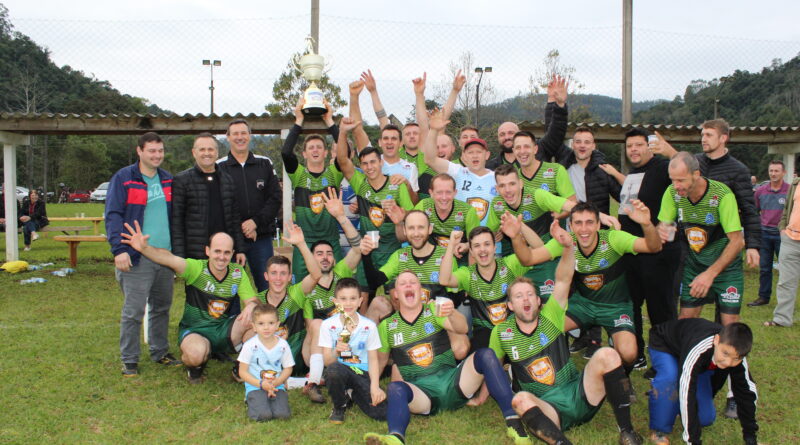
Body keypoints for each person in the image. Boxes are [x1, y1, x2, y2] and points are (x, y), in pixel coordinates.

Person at [492, 228, 644, 445]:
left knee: (608, 354)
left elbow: (563, 278)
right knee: (521, 399)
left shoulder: (552, 314)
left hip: (580, 395)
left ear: (538, 301)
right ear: (509, 305)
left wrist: (568, 249)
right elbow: (495, 370)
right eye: (518, 296)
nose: (525, 300)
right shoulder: (501, 333)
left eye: (529, 295)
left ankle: (627, 432)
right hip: (549, 410)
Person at [363, 271, 531, 445]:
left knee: (486, 355)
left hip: (453, 384)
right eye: (403, 283)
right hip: (422, 395)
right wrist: (373, 387)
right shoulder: (387, 326)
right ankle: (396, 437)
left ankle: (513, 421)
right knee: (395, 388)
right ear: (395, 294)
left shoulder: (433, 310)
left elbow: (462, 327)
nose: (408, 285)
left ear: (421, 290)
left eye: (413, 282)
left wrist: (451, 312)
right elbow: (380, 360)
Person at [512, 201, 662, 367]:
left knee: (629, 354)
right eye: (578, 223)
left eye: (589, 222)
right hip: (582, 305)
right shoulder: (566, 242)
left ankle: (619, 378)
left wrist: (647, 224)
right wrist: (515, 236)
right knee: (543, 330)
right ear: (570, 226)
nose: (584, 229)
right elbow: (528, 259)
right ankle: (557, 372)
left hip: (615, 307)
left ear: (598, 224)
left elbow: (653, 247)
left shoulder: (614, 239)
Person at [120, 221, 257, 383]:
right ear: (207, 251)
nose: (222, 257)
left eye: (227, 252)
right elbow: (169, 259)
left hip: (223, 329)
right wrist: (144, 248)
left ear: (232, 253)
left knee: (258, 322)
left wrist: (252, 306)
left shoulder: (237, 272)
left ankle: (240, 368)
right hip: (195, 330)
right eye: (217, 251)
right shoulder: (196, 268)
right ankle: (195, 368)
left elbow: (253, 300)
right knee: (196, 354)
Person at [105, 132, 181, 377]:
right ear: (140, 151)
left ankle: (160, 352)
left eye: (160, 151)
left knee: (161, 307)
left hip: (164, 256)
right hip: (137, 256)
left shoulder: (168, 180)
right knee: (134, 310)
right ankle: (129, 360)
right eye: (152, 151)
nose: (157, 155)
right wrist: (119, 250)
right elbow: (114, 214)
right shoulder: (124, 178)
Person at [616, 128, 681, 370]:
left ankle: (665, 361)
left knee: (660, 310)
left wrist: (671, 152)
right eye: (629, 145)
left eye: (638, 145)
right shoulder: (633, 173)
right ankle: (638, 355)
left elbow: (689, 173)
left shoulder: (663, 166)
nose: (633, 149)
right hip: (632, 253)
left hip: (658, 253)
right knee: (630, 305)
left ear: (648, 146)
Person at [657, 152, 745, 325]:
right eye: (672, 180)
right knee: (685, 321)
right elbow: (662, 229)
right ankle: (689, 352)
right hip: (695, 264)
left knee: (730, 323)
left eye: (681, 180)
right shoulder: (672, 193)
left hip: (726, 268)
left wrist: (710, 274)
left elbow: (737, 241)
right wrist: (651, 226)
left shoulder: (721, 195)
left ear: (696, 174)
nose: (675, 186)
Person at [336, 117, 414, 297]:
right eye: (364, 164)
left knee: (395, 299)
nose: (369, 167)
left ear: (380, 162)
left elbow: (412, 214)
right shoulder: (360, 183)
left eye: (372, 162)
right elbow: (342, 160)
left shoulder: (396, 184)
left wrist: (400, 214)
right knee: (362, 299)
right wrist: (342, 132)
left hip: (392, 250)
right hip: (367, 251)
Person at [647, 319, 758, 445]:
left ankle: (677, 405)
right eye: (725, 353)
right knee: (670, 377)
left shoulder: (738, 357)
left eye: (736, 358)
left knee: (705, 418)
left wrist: (750, 438)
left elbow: (746, 393)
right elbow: (687, 391)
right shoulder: (700, 348)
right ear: (716, 340)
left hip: (692, 355)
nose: (728, 363)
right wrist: (693, 441)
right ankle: (660, 429)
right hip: (666, 345)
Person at [301, 187, 364, 404]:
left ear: (335, 259)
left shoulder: (342, 273)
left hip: (343, 343)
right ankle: (316, 379)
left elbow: (358, 249)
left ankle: (334, 380)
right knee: (319, 324)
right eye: (319, 254)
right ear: (312, 259)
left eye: (329, 253)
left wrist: (340, 216)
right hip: (315, 350)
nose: (325, 257)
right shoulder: (307, 287)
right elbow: (311, 327)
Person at [255, 227, 323, 400]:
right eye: (274, 273)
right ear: (266, 276)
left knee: (317, 325)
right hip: (272, 361)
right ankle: (301, 382)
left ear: (290, 277)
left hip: (298, 355)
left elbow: (316, 274)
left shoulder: (295, 293)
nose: (278, 278)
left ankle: (313, 381)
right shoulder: (258, 301)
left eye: (283, 274)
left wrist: (301, 244)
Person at [281, 96, 344, 280]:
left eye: (319, 147)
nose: (315, 150)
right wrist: (299, 120)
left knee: (337, 284)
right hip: (304, 241)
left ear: (326, 153)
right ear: (304, 153)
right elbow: (286, 152)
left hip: (330, 240)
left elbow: (345, 151)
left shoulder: (334, 174)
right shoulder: (299, 175)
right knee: (302, 287)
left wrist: (330, 121)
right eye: (311, 148)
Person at [218, 119, 282, 292]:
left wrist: (255, 222)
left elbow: (275, 197)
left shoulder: (264, 163)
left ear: (250, 135)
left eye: (243, 133)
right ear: (228, 137)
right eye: (235, 133)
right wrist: (241, 228)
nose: (240, 137)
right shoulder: (219, 167)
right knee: (229, 289)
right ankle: (233, 319)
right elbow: (221, 204)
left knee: (267, 286)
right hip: (230, 240)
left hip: (260, 238)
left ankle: (268, 320)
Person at [320, 278, 388, 424]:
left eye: (352, 298)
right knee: (333, 370)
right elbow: (327, 361)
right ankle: (339, 406)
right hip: (340, 369)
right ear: (336, 302)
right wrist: (336, 352)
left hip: (362, 372)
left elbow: (373, 359)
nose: (348, 303)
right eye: (343, 299)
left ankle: (352, 394)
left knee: (382, 413)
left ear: (360, 301)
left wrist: (374, 387)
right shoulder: (327, 325)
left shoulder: (369, 326)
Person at [171, 133, 246, 264]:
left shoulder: (228, 180)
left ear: (217, 153)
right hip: (195, 255)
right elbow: (177, 222)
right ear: (194, 152)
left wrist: (240, 249)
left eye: (210, 149)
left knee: (227, 285)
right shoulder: (182, 180)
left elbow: (235, 218)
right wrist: (179, 256)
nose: (207, 153)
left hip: (225, 254)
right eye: (202, 149)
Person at [423, 109, 497, 225]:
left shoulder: (497, 178)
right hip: (460, 237)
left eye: (479, 152)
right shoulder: (457, 171)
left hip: (488, 238)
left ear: (487, 155)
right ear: (464, 156)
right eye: (470, 152)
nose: (475, 156)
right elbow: (429, 159)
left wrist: (502, 228)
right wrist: (433, 130)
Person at [238, 303, 294, 422]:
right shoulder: (249, 346)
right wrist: (260, 384)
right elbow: (242, 372)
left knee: (282, 415)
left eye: (271, 323)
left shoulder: (283, 345)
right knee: (263, 416)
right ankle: (250, 399)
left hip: (276, 385)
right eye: (261, 324)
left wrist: (278, 381)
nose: (266, 327)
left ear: (277, 324)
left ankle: (272, 400)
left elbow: (288, 368)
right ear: (254, 326)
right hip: (255, 385)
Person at [408, 173, 479, 257]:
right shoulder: (423, 206)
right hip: (431, 257)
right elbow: (411, 231)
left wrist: (466, 246)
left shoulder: (467, 211)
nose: (444, 197)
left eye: (448, 192)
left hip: (459, 258)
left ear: (455, 193)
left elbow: (476, 241)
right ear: (431, 192)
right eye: (439, 192)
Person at [749, 160, 789, 306]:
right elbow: (754, 212)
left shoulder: (790, 191)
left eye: (777, 171)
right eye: (771, 171)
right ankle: (763, 297)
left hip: (783, 235)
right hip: (764, 234)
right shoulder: (760, 191)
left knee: (786, 269)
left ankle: (784, 301)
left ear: (783, 173)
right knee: (765, 268)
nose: (773, 173)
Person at [765, 172, 800, 327]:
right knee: (785, 282)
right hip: (790, 239)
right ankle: (782, 320)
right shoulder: (796, 183)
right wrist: (783, 228)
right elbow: (787, 208)